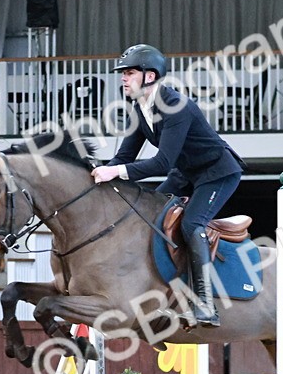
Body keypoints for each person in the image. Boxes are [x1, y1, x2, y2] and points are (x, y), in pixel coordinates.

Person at [91, 44, 244, 327]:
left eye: (129, 73)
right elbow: (124, 157)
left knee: (191, 225)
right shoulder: (140, 108)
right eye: (123, 73)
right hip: (185, 173)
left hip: (216, 173)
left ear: (150, 76)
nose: (123, 78)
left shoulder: (176, 106)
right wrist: (99, 175)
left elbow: (162, 163)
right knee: (147, 217)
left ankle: (205, 305)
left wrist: (114, 172)